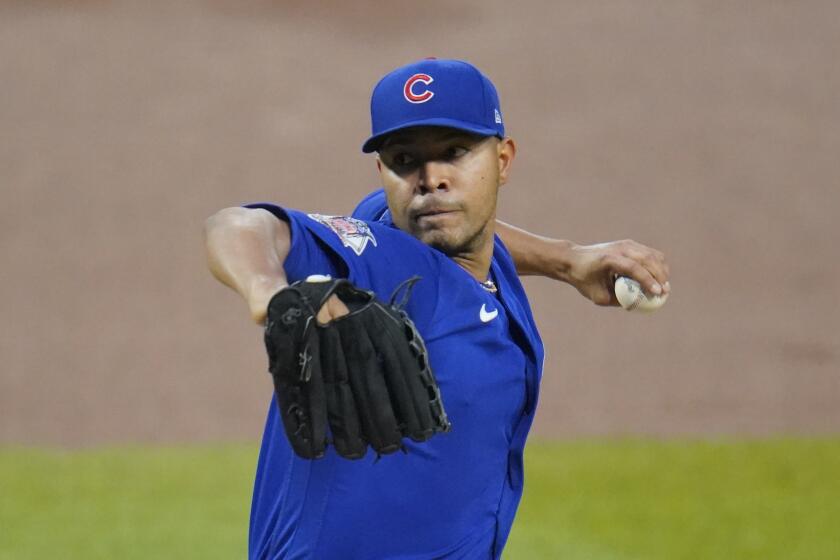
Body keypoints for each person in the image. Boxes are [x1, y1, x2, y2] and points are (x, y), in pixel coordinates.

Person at [205, 58, 669, 560]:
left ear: (503, 160)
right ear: (383, 172)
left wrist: (568, 260)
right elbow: (239, 226)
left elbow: (483, 236)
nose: (430, 180)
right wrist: (270, 295)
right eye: (405, 160)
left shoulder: (450, 241)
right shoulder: (385, 262)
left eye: (454, 152)